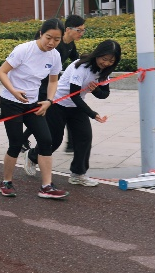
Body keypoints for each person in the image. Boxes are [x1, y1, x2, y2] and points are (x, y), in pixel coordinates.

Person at [0, 18, 68, 200]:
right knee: (16, 143)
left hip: (33, 103)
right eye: (48, 37)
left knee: (46, 140)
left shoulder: (55, 56)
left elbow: (53, 81)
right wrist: (14, 91)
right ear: (41, 34)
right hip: (11, 102)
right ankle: (6, 182)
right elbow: (1, 72)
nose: (51, 43)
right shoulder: (24, 49)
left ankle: (46, 186)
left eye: (57, 39)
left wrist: (49, 101)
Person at [46, 40, 121, 187]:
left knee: (84, 138)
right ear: (98, 54)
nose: (106, 63)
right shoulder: (81, 67)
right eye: (104, 59)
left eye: (111, 61)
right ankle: (32, 156)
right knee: (54, 141)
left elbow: (105, 94)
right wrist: (92, 114)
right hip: (58, 103)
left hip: (76, 106)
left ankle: (78, 174)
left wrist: (96, 90)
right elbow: (74, 95)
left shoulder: (104, 72)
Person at [23, 15, 85, 158]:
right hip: (41, 85)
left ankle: (69, 143)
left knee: (46, 113)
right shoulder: (56, 45)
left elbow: (76, 61)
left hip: (52, 84)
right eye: (79, 30)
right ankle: (22, 139)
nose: (81, 33)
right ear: (68, 30)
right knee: (41, 113)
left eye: (83, 30)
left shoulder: (70, 44)